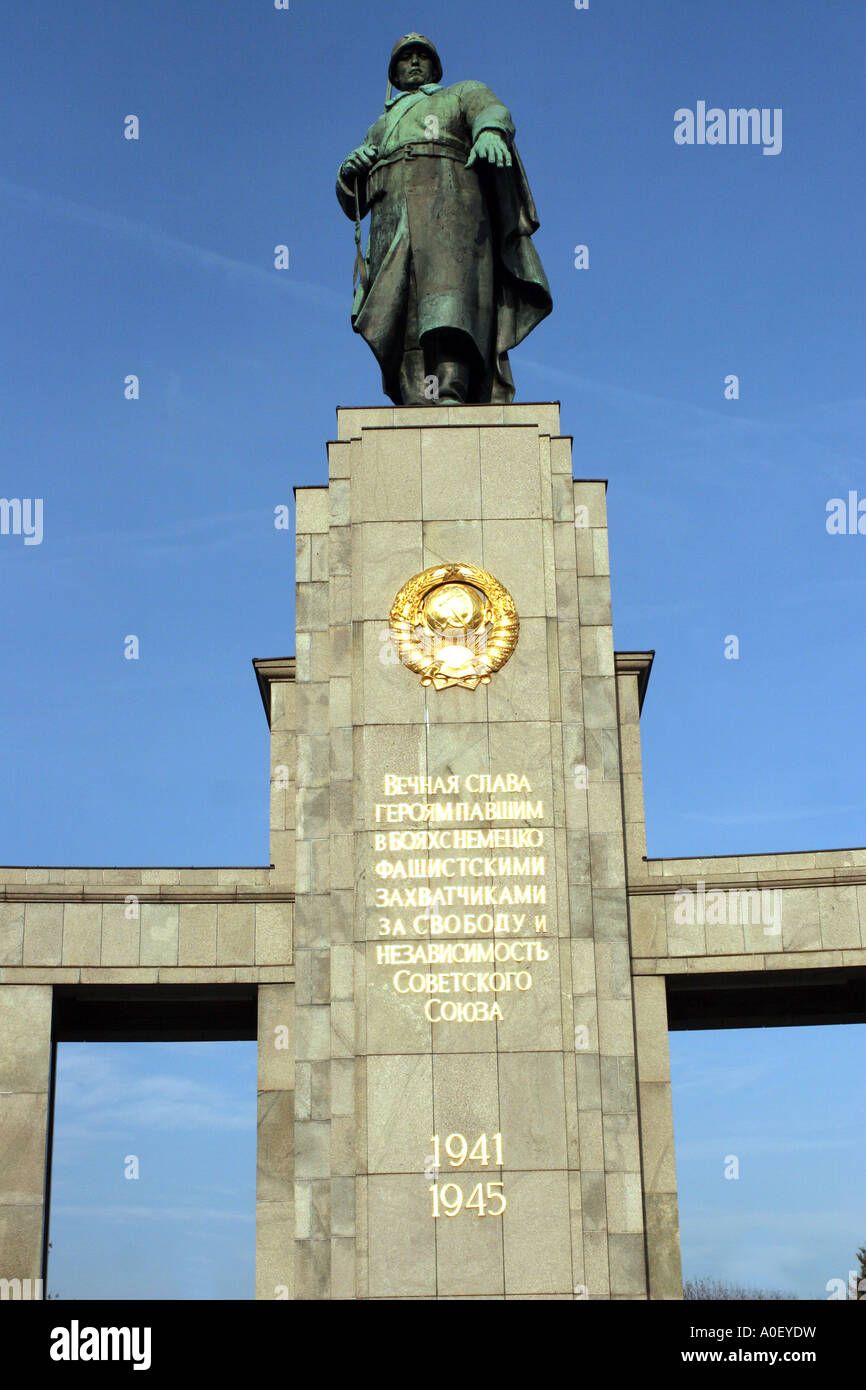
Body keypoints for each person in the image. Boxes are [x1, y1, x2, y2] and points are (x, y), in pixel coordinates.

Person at [337, 34, 552, 405]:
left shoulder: (459, 94)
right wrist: (348, 173)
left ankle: (452, 390)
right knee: (403, 311)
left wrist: (489, 132)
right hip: (393, 219)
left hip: (449, 207)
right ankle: (418, 398)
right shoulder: (379, 126)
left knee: (448, 303)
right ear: (394, 73)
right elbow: (353, 199)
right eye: (405, 58)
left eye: (422, 56)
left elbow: (491, 110)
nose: (414, 62)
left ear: (435, 67)